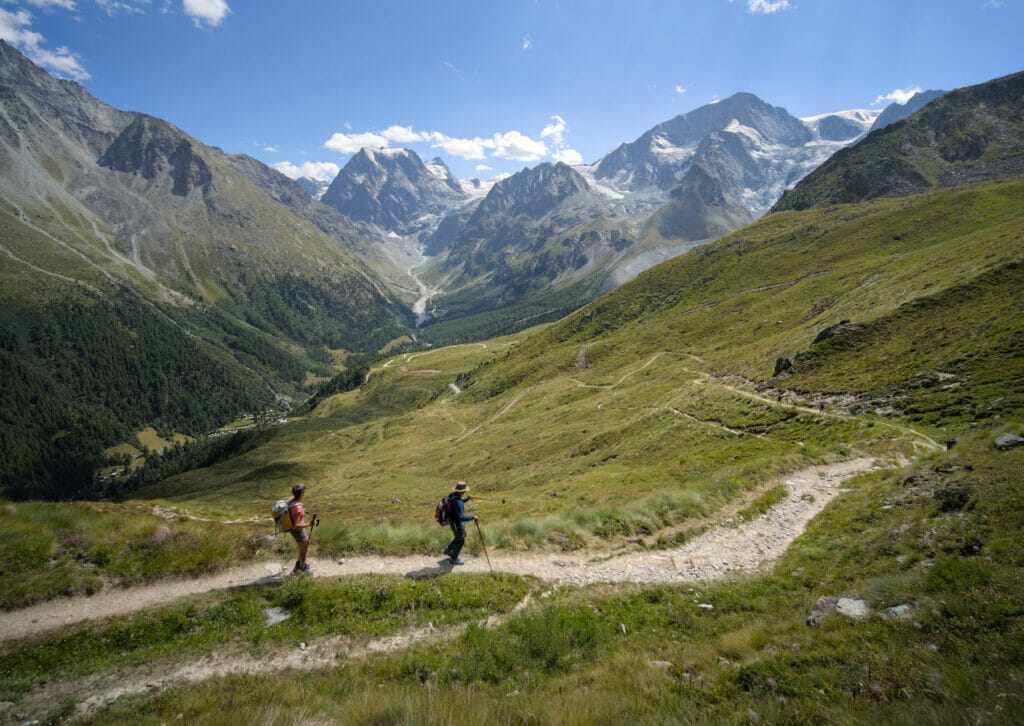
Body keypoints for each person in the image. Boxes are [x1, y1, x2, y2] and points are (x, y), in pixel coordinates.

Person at [442, 481, 477, 565]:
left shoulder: (453, 495)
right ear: (462, 491)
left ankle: (448, 549)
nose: (465, 492)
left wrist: (467, 499)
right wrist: (473, 517)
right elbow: (461, 517)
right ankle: (453, 559)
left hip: (452, 521)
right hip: (457, 523)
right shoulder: (458, 502)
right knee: (460, 540)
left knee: (461, 536)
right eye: (464, 491)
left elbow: (457, 503)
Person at [287, 483, 315, 574]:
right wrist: (309, 524)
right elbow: (296, 525)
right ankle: (301, 569)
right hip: (298, 531)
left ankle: (299, 565)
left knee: (303, 546)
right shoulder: (298, 509)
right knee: (304, 549)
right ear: (302, 493)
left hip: (296, 530)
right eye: (304, 491)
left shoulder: (291, 500)